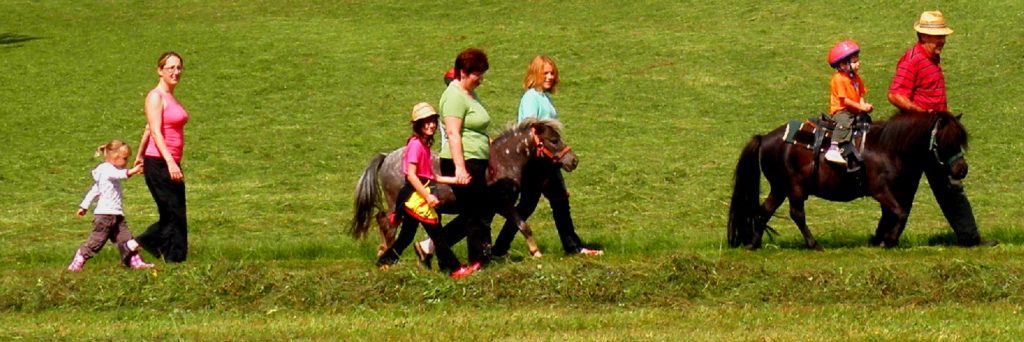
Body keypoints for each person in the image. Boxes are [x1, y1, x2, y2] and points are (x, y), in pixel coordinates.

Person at [886, 10, 995, 247]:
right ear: (923, 36)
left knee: (948, 186)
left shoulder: (932, 59)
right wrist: (922, 115)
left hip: (935, 136)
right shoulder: (913, 59)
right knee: (905, 189)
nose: (942, 41)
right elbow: (895, 94)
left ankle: (969, 238)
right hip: (919, 138)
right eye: (938, 37)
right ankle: (886, 239)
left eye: (942, 36)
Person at [491, 55, 603, 257]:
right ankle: (500, 248)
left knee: (556, 201)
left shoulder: (544, 97)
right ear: (536, 74)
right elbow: (530, 129)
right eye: (546, 73)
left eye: (553, 73)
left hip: (549, 162)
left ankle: (572, 246)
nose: (551, 77)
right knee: (528, 206)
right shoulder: (531, 97)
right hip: (538, 164)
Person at [376, 103, 476, 279]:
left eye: (433, 122)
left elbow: (432, 176)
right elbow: (412, 176)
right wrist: (427, 195)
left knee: (407, 236)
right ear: (418, 125)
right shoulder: (415, 145)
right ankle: (453, 268)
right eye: (426, 122)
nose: (431, 125)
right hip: (414, 196)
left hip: (417, 194)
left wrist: (457, 180)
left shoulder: (423, 145)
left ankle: (385, 262)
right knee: (437, 234)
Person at [430, 48, 494, 270]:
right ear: (463, 72)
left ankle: (480, 258)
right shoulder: (454, 96)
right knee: (475, 213)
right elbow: (454, 134)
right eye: (477, 73)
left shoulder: (470, 94)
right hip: (462, 161)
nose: (481, 79)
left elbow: (476, 128)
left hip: (476, 160)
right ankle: (477, 261)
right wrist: (459, 168)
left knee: (481, 210)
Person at [134, 51, 191, 262]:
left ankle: (174, 260)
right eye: (171, 68)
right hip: (160, 162)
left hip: (170, 161)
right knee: (173, 214)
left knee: (176, 214)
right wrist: (168, 162)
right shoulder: (155, 96)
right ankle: (135, 244)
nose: (176, 72)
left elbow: (148, 128)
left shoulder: (170, 97)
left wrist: (139, 155)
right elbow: (156, 131)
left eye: (179, 68)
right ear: (160, 71)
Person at [67, 140, 155, 272]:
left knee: (126, 240)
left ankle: (135, 262)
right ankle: (79, 259)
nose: (126, 162)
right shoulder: (107, 169)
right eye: (125, 159)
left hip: (117, 214)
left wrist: (84, 206)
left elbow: (94, 190)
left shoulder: (107, 172)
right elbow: (119, 175)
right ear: (115, 157)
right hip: (105, 216)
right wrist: (132, 171)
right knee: (96, 242)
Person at [824, 40, 873, 171]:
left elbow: (860, 95)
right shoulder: (839, 79)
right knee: (844, 121)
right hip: (842, 110)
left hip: (855, 110)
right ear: (843, 64)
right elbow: (845, 101)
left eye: (858, 60)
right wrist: (860, 107)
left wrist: (864, 106)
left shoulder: (856, 78)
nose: (858, 64)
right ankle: (834, 147)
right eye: (855, 61)